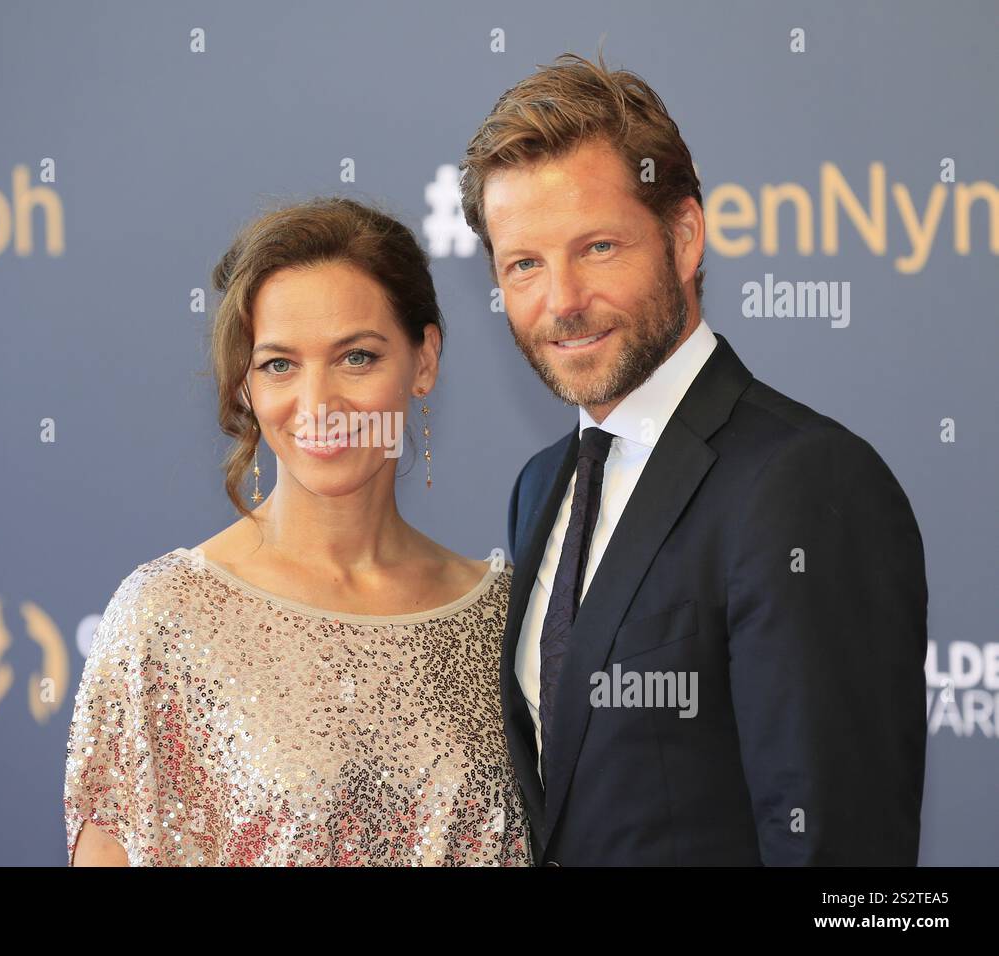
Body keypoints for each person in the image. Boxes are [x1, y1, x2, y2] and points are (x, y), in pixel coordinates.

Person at [458, 53, 928, 865]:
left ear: (683, 236)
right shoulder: (541, 487)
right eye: (524, 264)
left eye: (597, 247)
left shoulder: (804, 482)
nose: (561, 300)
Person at [64, 197, 531, 866]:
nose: (319, 405)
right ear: (245, 387)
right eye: (280, 365)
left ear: (423, 360)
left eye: (357, 357)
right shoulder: (166, 619)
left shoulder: (507, 617)